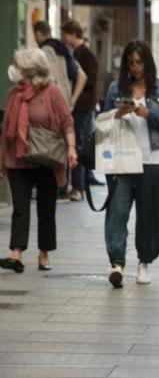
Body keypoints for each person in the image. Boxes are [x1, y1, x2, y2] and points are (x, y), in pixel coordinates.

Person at [101, 40, 159, 288]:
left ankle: (144, 262)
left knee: (150, 215)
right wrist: (118, 113)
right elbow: (102, 121)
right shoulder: (116, 88)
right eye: (131, 62)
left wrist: (149, 114)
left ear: (147, 62)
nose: (135, 67)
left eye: (139, 61)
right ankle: (117, 264)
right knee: (117, 212)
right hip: (122, 160)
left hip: (153, 160)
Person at [0, 48, 78, 273]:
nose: (13, 69)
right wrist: (2, 159)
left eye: (18, 65)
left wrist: (71, 148)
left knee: (46, 209)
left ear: (30, 70)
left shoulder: (51, 92)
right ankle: (16, 253)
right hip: (19, 159)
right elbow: (6, 129)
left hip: (46, 158)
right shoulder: (14, 94)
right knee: (20, 208)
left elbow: (67, 121)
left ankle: (44, 254)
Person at [34, 20, 87, 202]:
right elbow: (82, 76)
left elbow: (51, 76)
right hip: (65, 103)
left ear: (38, 34)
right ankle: (65, 187)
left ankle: (59, 189)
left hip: (51, 104)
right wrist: (71, 100)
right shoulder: (64, 50)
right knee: (66, 145)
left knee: (53, 146)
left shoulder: (46, 51)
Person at [61, 20, 100, 201]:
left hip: (82, 107)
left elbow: (90, 81)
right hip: (78, 106)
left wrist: (74, 95)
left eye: (65, 35)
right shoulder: (74, 53)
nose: (63, 38)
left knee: (78, 144)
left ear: (71, 34)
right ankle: (74, 185)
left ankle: (78, 186)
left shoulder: (85, 55)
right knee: (75, 143)